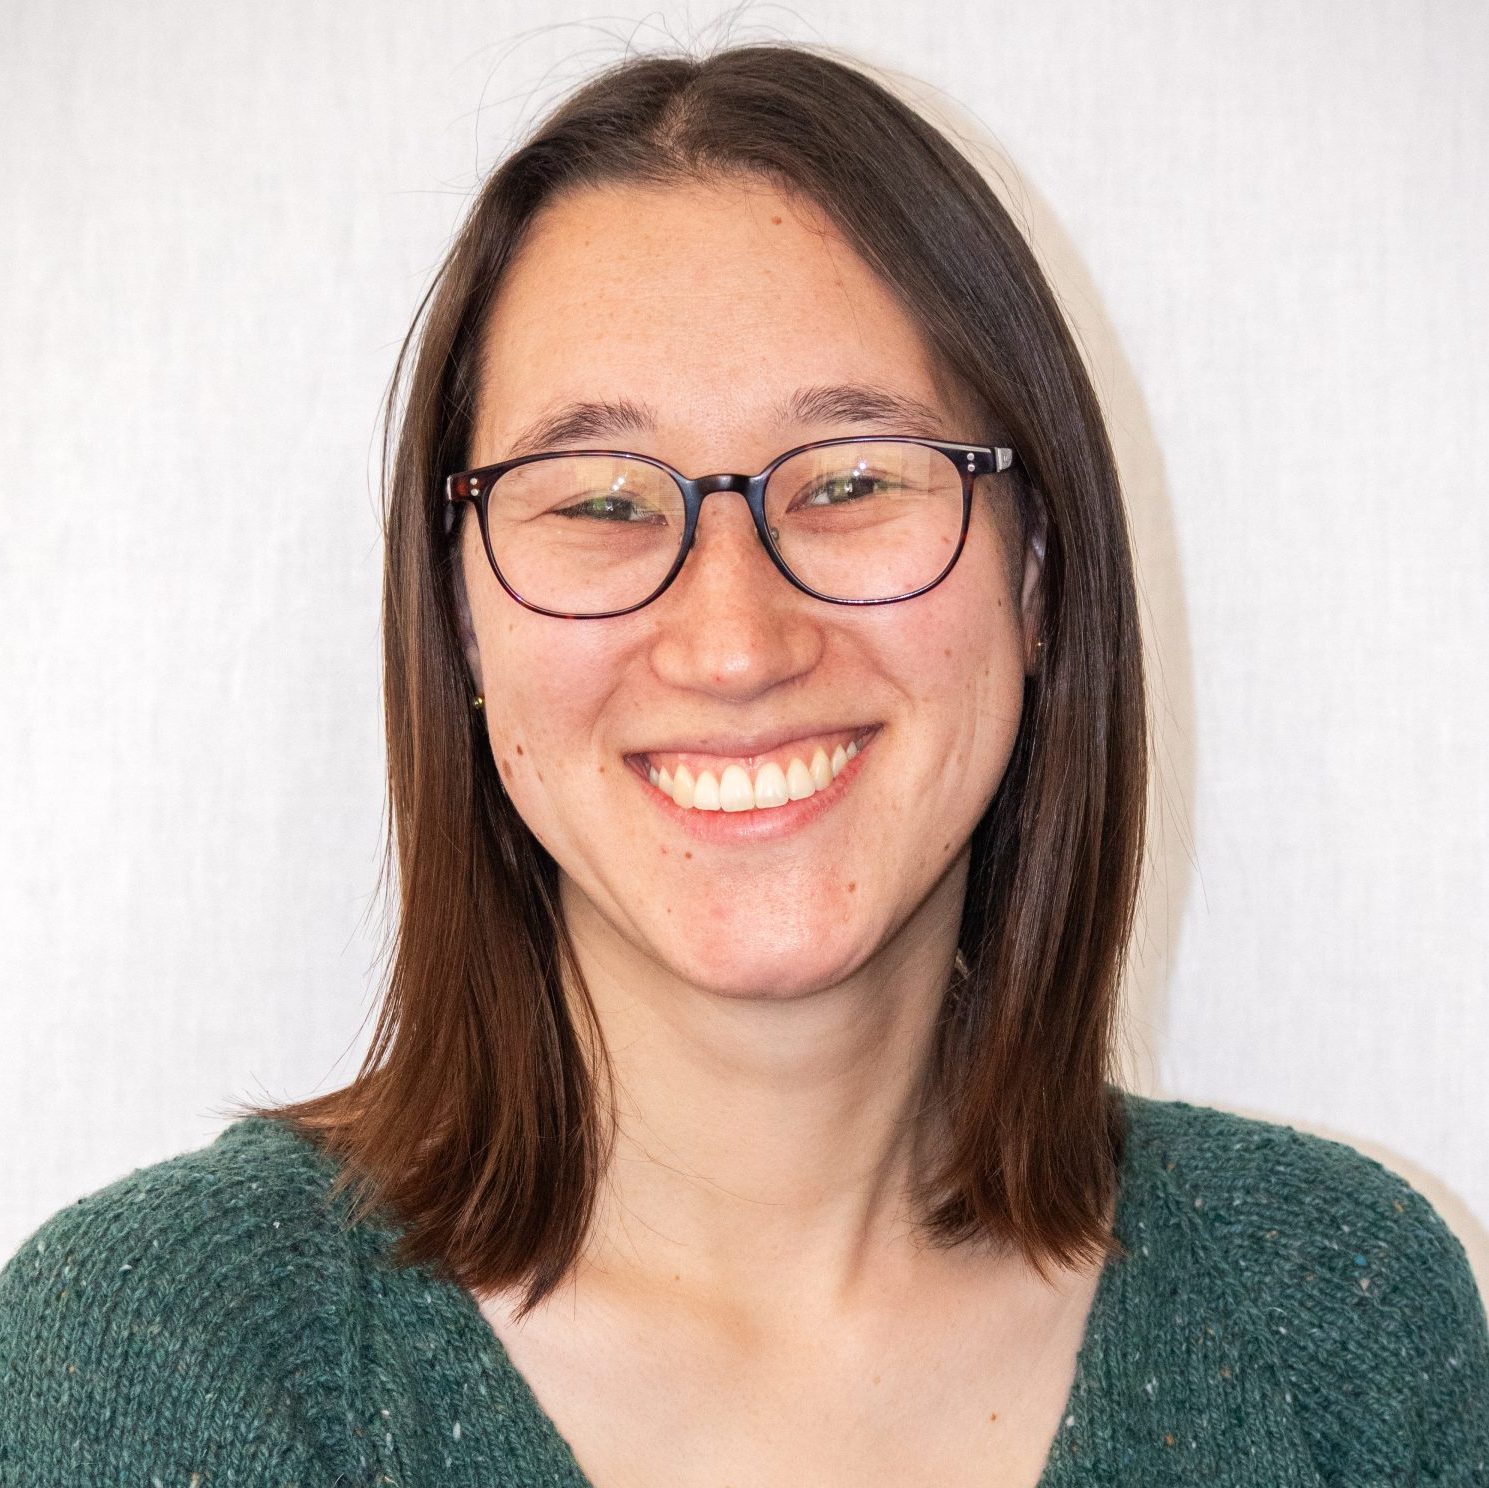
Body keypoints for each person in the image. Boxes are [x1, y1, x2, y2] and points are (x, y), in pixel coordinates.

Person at [2, 40, 1485, 1487]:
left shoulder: (1336, 1317)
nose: (730, 641)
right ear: (455, 620)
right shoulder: (159, 1356)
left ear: (1037, 576)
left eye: (848, 481)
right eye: (597, 503)